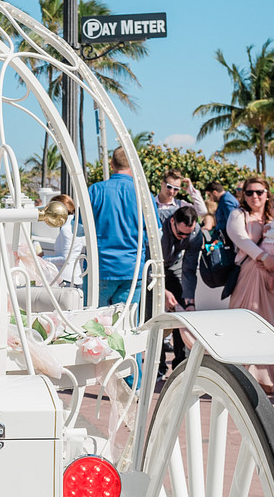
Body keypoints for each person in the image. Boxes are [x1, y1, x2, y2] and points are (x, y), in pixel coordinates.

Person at [227, 174, 274, 393]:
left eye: (259, 192)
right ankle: (241, 379)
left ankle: (265, 380)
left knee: (270, 327)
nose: (254, 196)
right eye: (249, 192)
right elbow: (240, 238)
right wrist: (263, 257)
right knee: (244, 324)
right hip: (248, 275)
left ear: (267, 193)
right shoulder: (238, 214)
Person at [87, 146, 158, 308]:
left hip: (101, 269)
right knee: (126, 325)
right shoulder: (144, 194)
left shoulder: (95, 190)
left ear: (112, 164)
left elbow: (78, 229)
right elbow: (156, 234)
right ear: (134, 165)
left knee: (92, 325)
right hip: (133, 270)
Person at [158, 204, 203, 376]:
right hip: (152, 268)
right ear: (172, 222)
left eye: (188, 234)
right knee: (154, 316)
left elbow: (189, 269)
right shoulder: (158, 222)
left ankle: (181, 367)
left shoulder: (195, 233)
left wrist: (190, 301)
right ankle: (158, 367)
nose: (184, 237)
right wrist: (162, 292)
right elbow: (146, 263)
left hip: (174, 266)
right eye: (180, 233)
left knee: (182, 311)